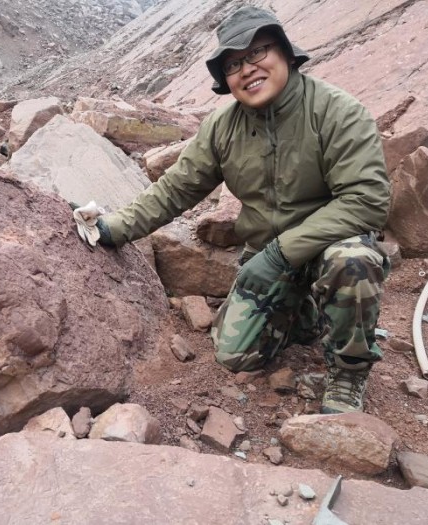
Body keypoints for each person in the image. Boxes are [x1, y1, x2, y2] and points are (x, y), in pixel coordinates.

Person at [77, 5, 391, 414]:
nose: (247, 69)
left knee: (353, 262)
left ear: (286, 53)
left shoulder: (337, 111)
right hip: (266, 258)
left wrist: (280, 254)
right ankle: (308, 314)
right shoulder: (222, 127)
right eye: (233, 64)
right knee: (235, 355)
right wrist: (114, 227)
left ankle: (349, 372)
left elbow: (367, 201)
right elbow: (177, 188)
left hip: (328, 246)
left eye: (257, 52)